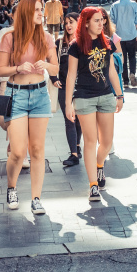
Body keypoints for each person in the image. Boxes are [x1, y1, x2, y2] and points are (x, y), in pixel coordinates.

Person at [0, 0, 57, 215]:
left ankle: (36, 198)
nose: (42, 13)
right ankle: (12, 188)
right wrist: (18, 69)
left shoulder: (47, 37)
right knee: (18, 152)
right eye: (37, 10)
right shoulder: (9, 38)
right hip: (17, 95)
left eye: (42, 10)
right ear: (26, 12)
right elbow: (1, 70)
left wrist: (47, 65)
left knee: (38, 150)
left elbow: (56, 69)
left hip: (40, 95)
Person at [64, 7, 123, 202]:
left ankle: (99, 166)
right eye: (97, 20)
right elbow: (71, 74)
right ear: (87, 22)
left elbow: (112, 71)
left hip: (106, 95)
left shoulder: (107, 42)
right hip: (84, 97)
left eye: (102, 20)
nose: (101, 24)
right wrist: (68, 103)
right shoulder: (76, 45)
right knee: (90, 141)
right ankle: (93, 185)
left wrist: (119, 95)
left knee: (106, 142)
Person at [53, 12, 82, 167]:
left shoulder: (83, 42)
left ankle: (77, 145)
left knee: (79, 120)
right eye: (66, 23)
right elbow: (51, 62)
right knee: (69, 119)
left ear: (79, 22)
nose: (68, 25)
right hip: (64, 87)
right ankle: (74, 154)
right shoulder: (59, 43)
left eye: (71, 22)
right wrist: (53, 78)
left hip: (81, 88)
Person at [109, 0, 137, 89]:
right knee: (132, 56)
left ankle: (125, 81)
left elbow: (112, 22)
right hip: (131, 34)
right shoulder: (133, 4)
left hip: (119, 36)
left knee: (122, 58)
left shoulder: (115, 5)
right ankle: (132, 73)